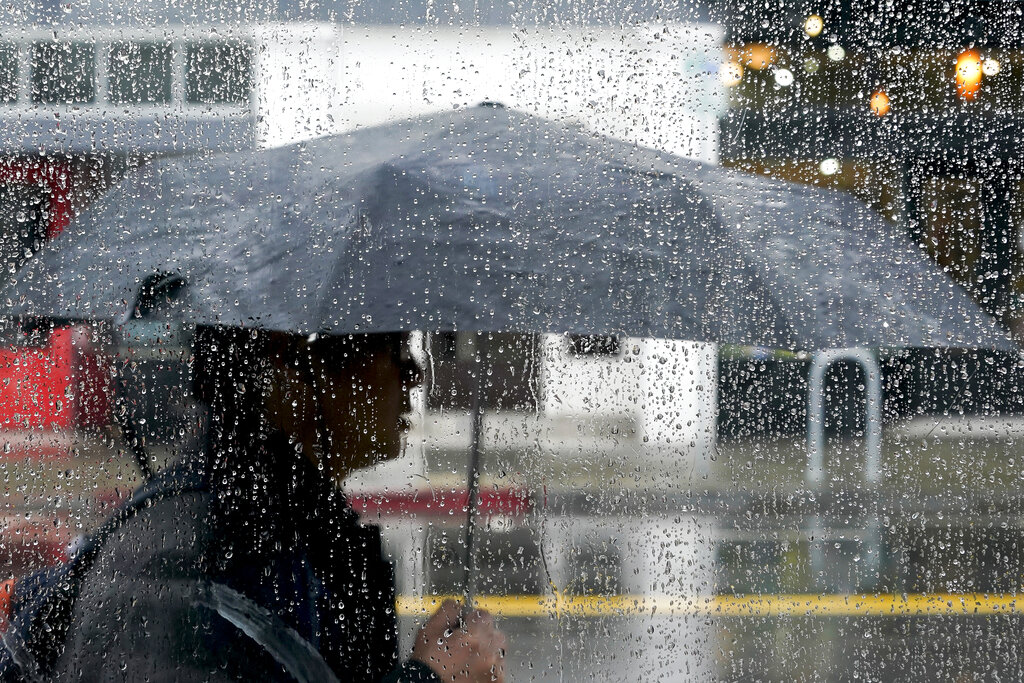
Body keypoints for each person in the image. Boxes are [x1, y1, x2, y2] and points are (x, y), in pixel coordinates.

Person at [42, 326, 507, 682]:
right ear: (294, 361)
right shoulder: (221, 552)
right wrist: (429, 677)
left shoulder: (294, 522)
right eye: (392, 348)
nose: (414, 374)